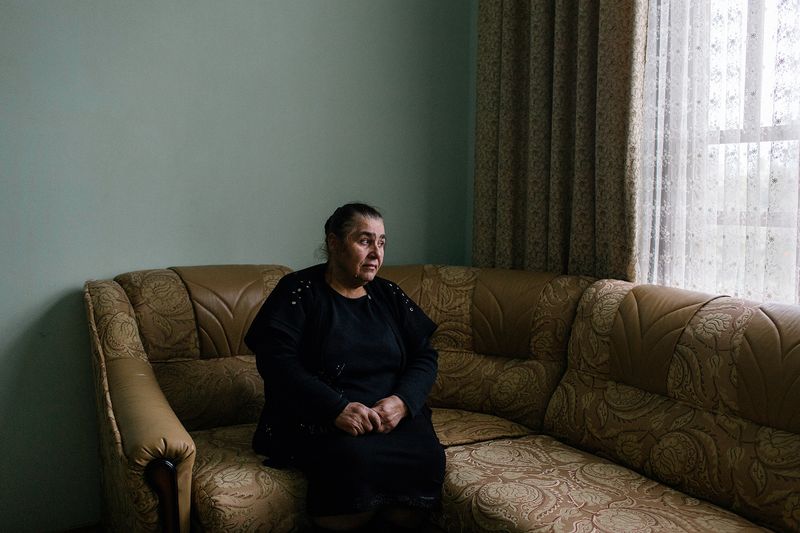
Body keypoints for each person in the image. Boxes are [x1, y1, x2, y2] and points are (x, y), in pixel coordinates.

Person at [244, 202, 445, 532]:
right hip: (321, 416)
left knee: (427, 456)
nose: (375, 253)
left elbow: (425, 355)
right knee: (354, 460)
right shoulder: (298, 291)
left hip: (389, 418)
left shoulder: (388, 294)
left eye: (381, 243)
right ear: (334, 243)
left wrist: (403, 402)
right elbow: (276, 363)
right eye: (364, 241)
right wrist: (334, 408)